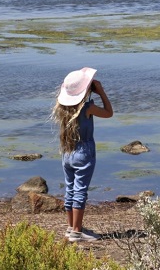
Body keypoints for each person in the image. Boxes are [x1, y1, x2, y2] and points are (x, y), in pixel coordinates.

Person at [51, 67, 113, 242]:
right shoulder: (88, 108)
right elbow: (109, 113)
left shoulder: (63, 108)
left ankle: (71, 227)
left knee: (70, 188)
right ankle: (77, 233)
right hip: (84, 153)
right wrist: (100, 92)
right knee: (80, 191)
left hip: (67, 152)